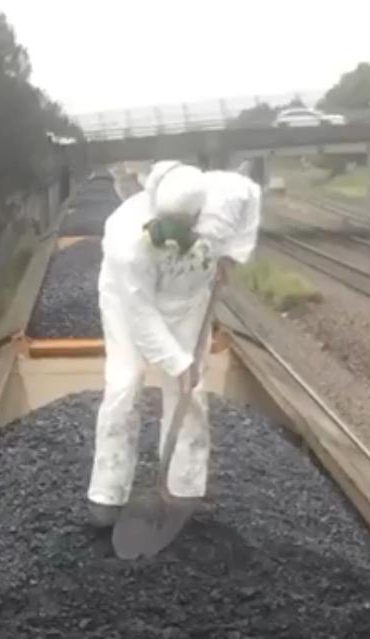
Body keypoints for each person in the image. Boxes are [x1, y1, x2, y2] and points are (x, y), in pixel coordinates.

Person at [87, 161, 261, 526]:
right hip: (129, 304)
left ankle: (184, 488)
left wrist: (232, 254)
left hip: (190, 302)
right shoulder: (125, 239)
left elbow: (252, 197)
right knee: (125, 384)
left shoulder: (229, 192)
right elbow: (142, 317)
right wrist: (177, 362)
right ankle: (108, 494)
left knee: (190, 393)